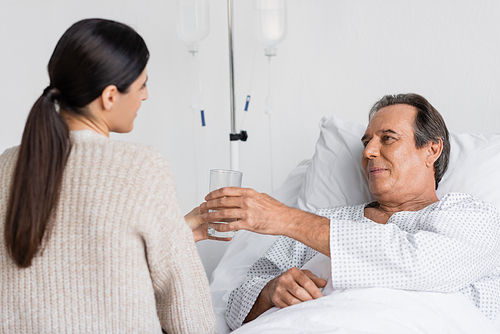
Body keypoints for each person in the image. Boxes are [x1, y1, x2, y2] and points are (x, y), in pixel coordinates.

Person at [200, 93, 500, 330]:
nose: (369, 152)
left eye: (388, 138)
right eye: (366, 141)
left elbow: (419, 263)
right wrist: (269, 292)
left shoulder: (470, 216)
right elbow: (237, 305)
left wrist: (284, 217)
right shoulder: (327, 219)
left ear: (431, 150)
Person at [0, 19, 216, 333]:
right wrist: (175, 248)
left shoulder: (7, 164)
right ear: (110, 96)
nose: (145, 96)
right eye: (142, 84)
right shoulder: (142, 166)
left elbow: (63, 259)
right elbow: (189, 319)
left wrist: (176, 236)